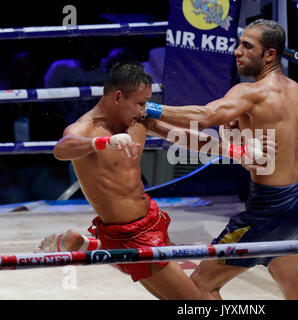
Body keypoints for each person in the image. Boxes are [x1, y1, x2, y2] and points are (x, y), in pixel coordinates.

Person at [37, 60, 273, 300]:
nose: (144, 109)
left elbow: (182, 137)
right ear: (118, 97)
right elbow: (62, 149)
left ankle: (92, 247)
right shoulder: (86, 129)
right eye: (140, 103)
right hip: (130, 236)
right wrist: (104, 143)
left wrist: (235, 151)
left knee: (186, 297)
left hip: (150, 219)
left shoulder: (139, 120)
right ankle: (96, 247)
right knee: (196, 302)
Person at [141, 19, 298, 300]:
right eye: (238, 43)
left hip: (268, 210)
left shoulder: (251, 93)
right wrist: (153, 124)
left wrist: (148, 107)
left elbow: (205, 118)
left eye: (247, 46)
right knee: (286, 273)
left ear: (270, 54)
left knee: (201, 284)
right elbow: (214, 142)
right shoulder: (295, 91)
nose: (237, 51)